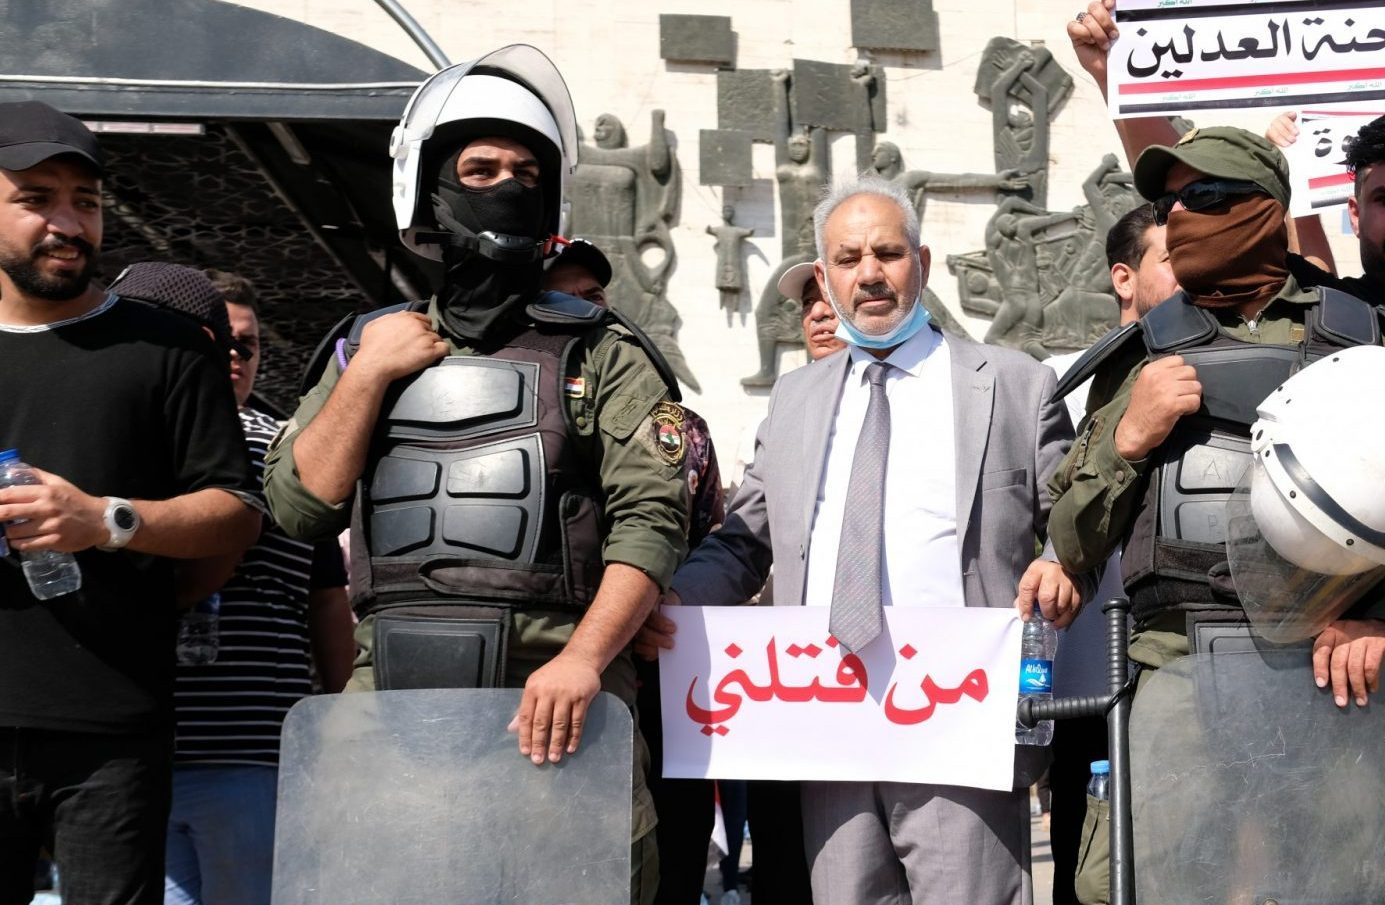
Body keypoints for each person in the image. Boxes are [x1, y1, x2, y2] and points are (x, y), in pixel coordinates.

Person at [262, 47, 687, 905]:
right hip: (390, 710)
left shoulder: (600, 352)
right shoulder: (362, 345)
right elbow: (297, 506)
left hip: (560, 704)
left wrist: (582, 659)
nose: (505, 188)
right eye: (480, 168)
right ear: (430, 188)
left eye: (526, 172)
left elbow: (652, 521)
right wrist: (369, 375)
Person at [646, 175, 1087, 905]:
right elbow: (745, 537)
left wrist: (1057, 559)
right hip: (827, 724)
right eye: (847, 259)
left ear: (921, 260)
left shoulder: (1012, 385)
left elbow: (1070, 513)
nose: (869, 274)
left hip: (956, 720)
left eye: (887, 253)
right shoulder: (795, 397)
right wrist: (670, 600)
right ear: (824, 276)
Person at [0, 102, 260, 905]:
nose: (68, 223)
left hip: (112, 724)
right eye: (37, 199)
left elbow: (235, 510)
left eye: (87, 201)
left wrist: (107, 519)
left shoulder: (164, 346)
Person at [1047, 126, 1385, 712]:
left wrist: (1380, 623)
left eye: (1201, 196)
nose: (1177, 216)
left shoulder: (1363, 340)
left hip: (1342, 683)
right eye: (1166, 204)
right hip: (1179, 680)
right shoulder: (1141, 354)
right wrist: (1126, 442)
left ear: (1263, 209)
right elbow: (1072, 544)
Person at [102, 262, 355, 905]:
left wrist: (350, 718)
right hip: (137, 750)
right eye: (218, 339)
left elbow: (327, 598)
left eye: (247, 345)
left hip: (255, 751)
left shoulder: (290, 458)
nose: (234, 356)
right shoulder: (121, 442)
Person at [545, 236, 720, 905]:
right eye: (566, 294)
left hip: (655, 677)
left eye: (595, 295)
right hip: (538, 673)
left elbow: (706, 538)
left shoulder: (674, 422)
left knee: (667, 855)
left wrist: (669, 596)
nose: (589, 309)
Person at [1039, 203, 1176, 905]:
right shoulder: (1063, 381)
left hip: (1180, 664)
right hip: (1087, 668)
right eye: (1172, 255)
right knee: (1085, 866)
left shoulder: (1207, 367)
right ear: (1123, 277)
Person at [779, 260, 845, 362]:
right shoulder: (793, 378)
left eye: (833, 298)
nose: (817, 313)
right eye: (808, 302)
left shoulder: (876, 377)